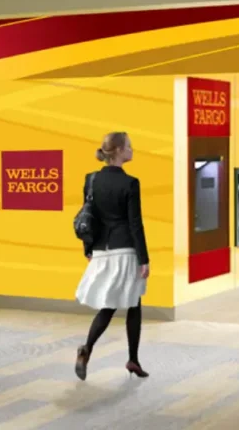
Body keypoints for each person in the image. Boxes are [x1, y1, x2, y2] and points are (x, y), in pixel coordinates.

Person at [74, 132, 151, 381]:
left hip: (100, 250)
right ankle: (133, 359)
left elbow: (88, 217)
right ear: (118, 150)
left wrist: (88, 249)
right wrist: (144, 259)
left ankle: (87, 349)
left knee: (109, 306)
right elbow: (135, 224)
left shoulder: (91, 179)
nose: (132, 150)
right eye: (129, 146)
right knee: (134, 303)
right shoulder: (130, 183)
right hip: (125, 249)